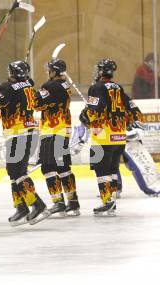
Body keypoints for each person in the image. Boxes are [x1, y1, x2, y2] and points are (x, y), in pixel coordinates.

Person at [80, 59, 144, 216]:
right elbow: (134, 109)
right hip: (119, 137)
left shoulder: (96, 87)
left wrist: (85, 115)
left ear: (102, 72)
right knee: (112, 170)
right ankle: (112, 201)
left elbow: (94, 112)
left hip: (103, 138)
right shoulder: (119, 88)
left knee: (101, 172)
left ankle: (107, 202)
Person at [0, 60, 49, 226]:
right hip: (30, 133)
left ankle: (37, 205)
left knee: (16, 172)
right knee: (16, 172)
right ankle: (21, 207)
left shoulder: (8, 87)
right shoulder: (29, 86)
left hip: (18, 134)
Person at [34, 58, 80, 216]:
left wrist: (31, 88)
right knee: (63, 167)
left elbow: (36, 104)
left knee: (47, 167)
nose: (48, 72)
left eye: (49, 70)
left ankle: (58, 203)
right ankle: (73, 203)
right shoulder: (65, 84)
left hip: (52, 131)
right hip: (64, 130)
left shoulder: (49, 85)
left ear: (54, 71)